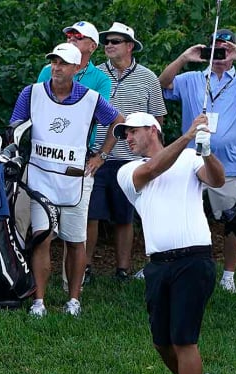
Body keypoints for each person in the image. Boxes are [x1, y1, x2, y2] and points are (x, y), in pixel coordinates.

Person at [9, 43, 124, 317]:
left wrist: (102, 156)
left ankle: (74, 300)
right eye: (53, 62)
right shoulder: (32, 93)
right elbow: (14, 126)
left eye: (62, 63)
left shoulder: (91, 97)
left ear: (76, 68)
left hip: (76, 177)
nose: (56, 67)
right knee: (42, 238)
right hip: (41, 176)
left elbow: (119, 122)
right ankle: (39, 301)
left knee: (75, 241)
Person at [116, 112, 224, 374]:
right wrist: (187, 136)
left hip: (194, 259)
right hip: (158, 265)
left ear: (153, 129)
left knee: (184, 339)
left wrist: (206, 151)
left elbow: (217, 180)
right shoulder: (127, 171)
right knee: (161, 342)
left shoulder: (190, 159)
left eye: (132, 132)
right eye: (125, 134)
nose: (127, 138)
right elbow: (151, 171)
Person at [159, 28, 236, 293]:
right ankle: (174, 263)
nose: (220, 55)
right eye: (216, 49)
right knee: (181, 214)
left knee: (232, 221)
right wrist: (184, 58)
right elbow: (161, 84)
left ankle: (229, 273)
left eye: (226, 50)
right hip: (192, 160)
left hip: (232, 163)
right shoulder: (191, 79)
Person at [85, 22, 167, 281]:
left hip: (132, 160)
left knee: (125, 216)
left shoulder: (148, 77)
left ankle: (122, 270)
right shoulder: (95, 74)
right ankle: (84, 268)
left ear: (130, 46)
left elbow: (157, 120)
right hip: (95, 156)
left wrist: (150, 154)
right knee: (91, 215)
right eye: (107, 41)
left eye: (115, 41)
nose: (109, 45)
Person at [36, 21, 112, 293]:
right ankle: (37, 294)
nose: (70, 39)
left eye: (77, 37)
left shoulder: (100, 79)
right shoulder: (48, 70)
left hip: (79, 161)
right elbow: (40, 108)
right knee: (40, 231)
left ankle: (73, 293)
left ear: (92, 46)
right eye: (67, 35)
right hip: (44, 162)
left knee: (74, 234)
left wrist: (102, 155)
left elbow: (102, 117)